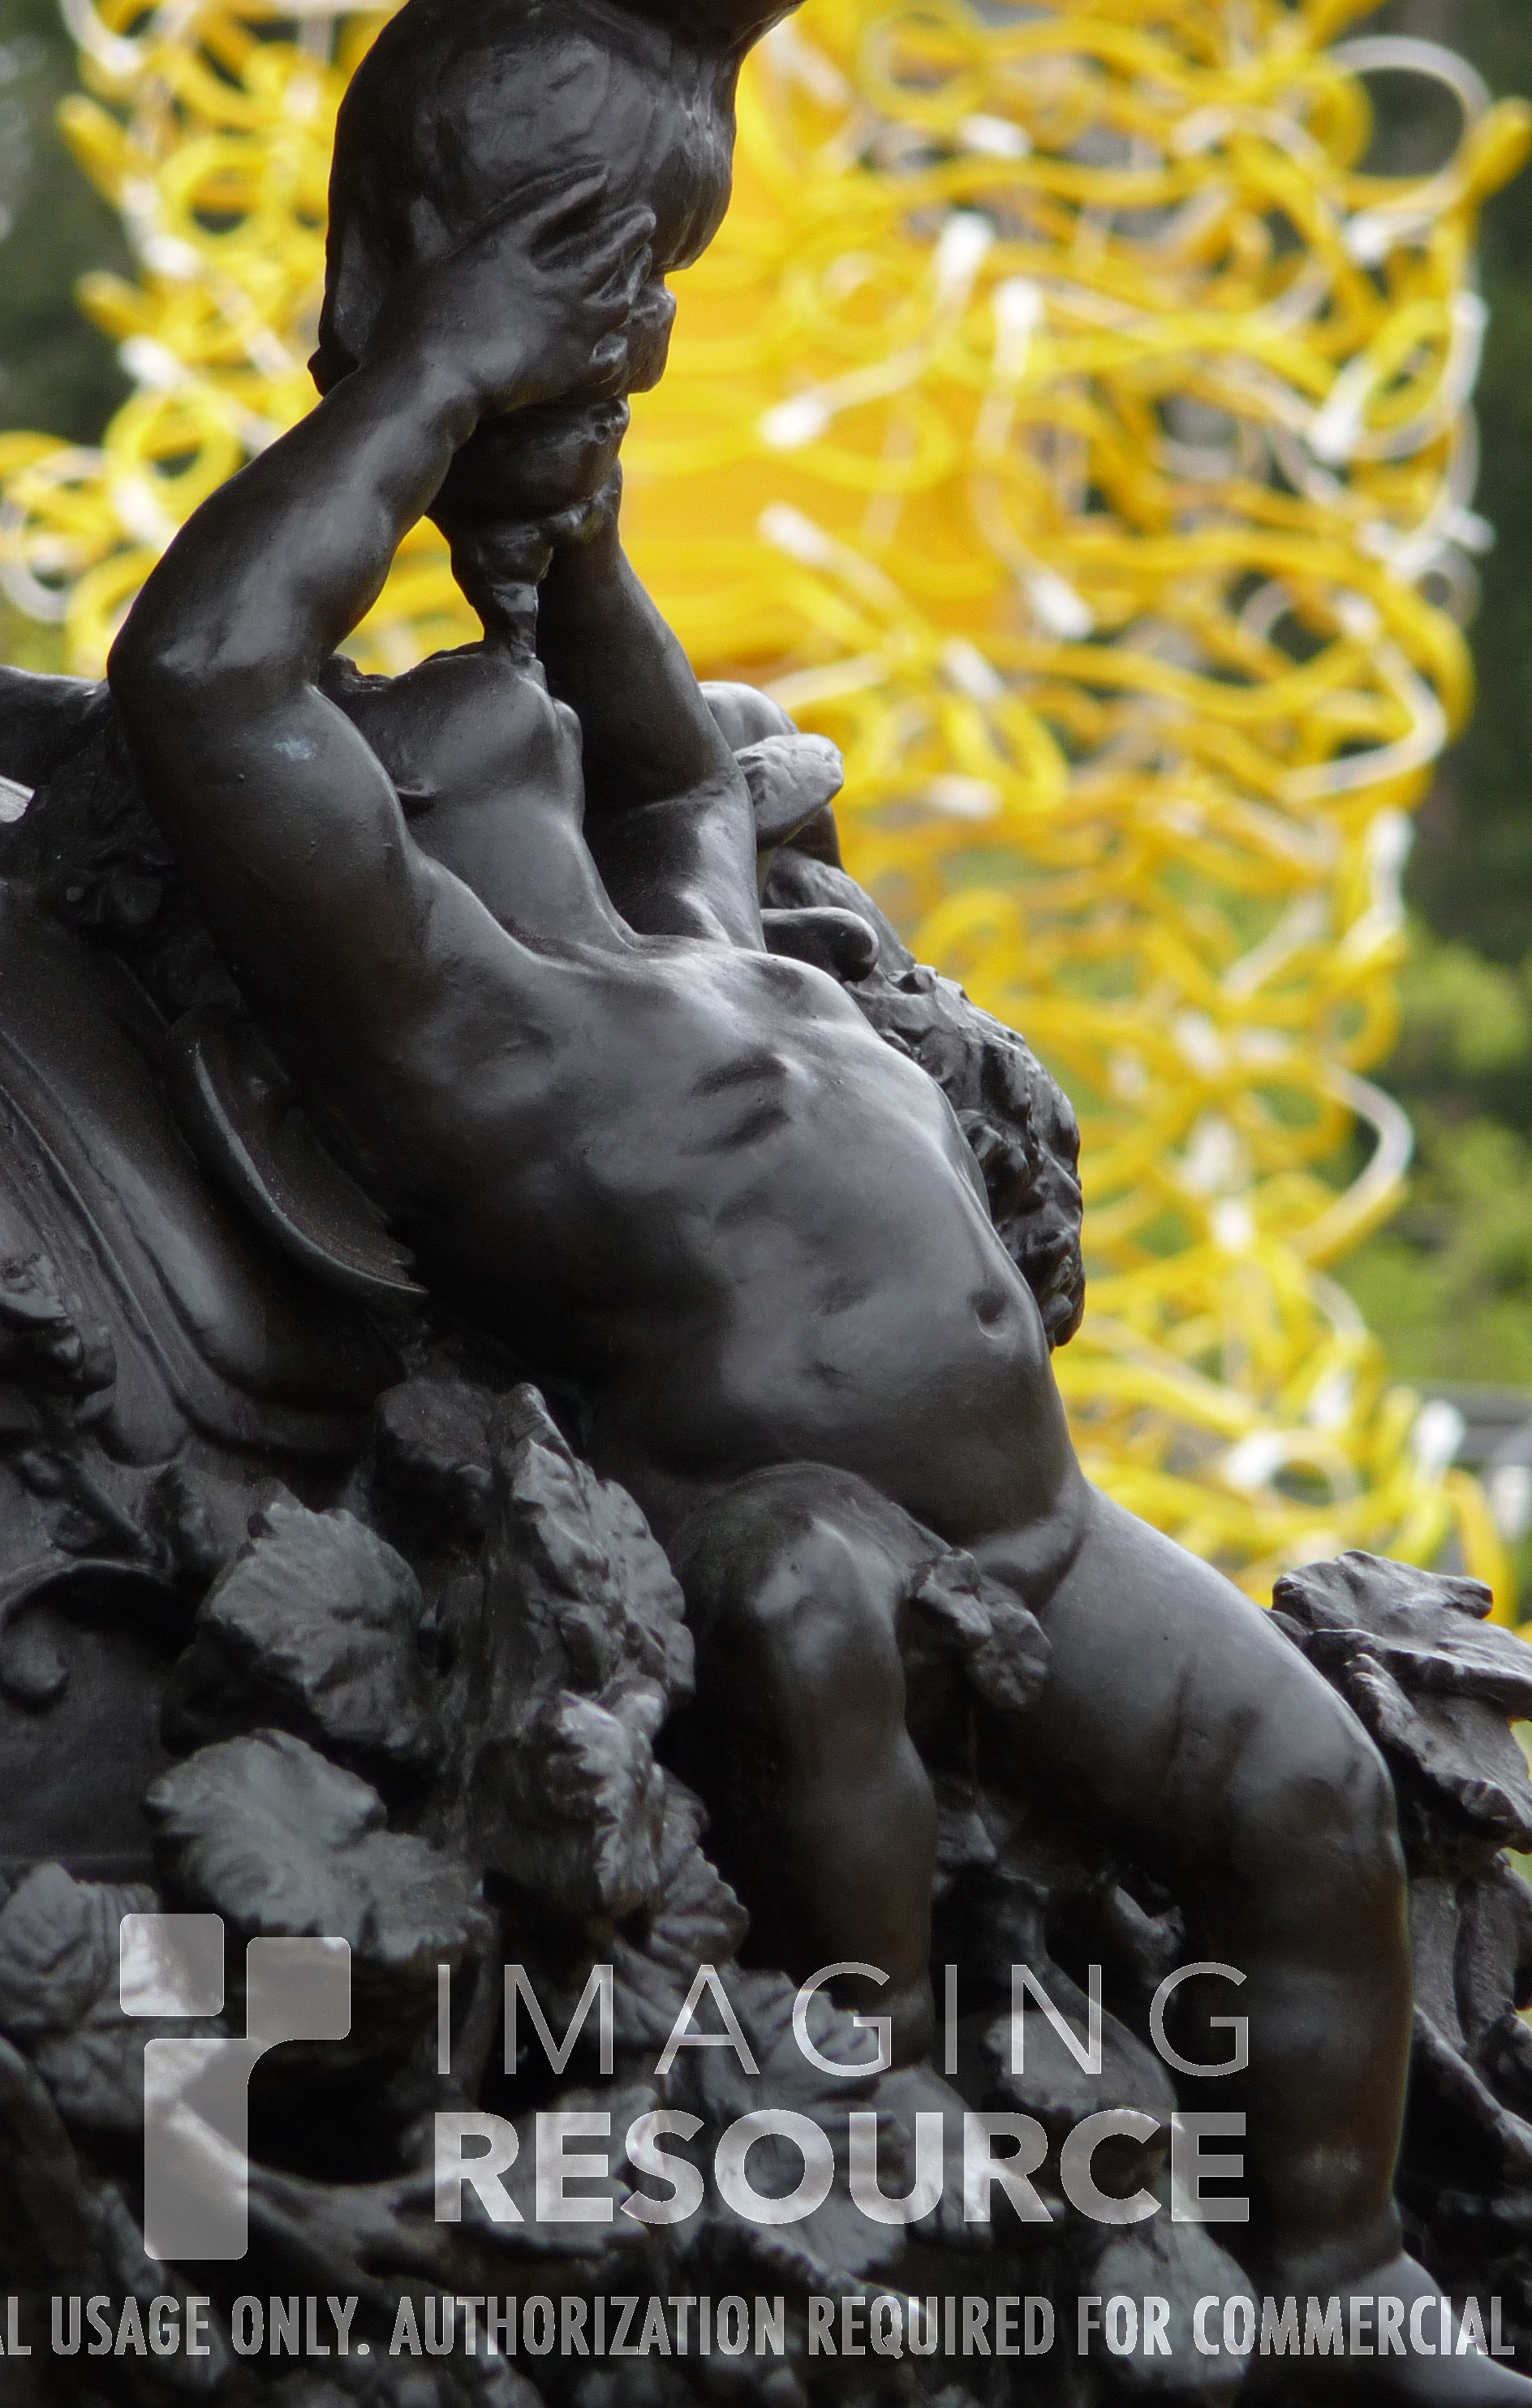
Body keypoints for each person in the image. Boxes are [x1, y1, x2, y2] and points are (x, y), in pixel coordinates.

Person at [109, 170, 1527, 2399]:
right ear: (387, 824)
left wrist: (565, 485)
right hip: (786, 1528)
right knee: (796, 1605)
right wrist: (436, 367)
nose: (474, 671)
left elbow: (663, 742)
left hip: (1043, 1524)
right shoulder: (459, 1023)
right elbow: (207, 678)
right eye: (413, 695)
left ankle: (1341, 2279)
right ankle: (861, 2098)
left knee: (1316, 1797)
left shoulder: (696, 926)